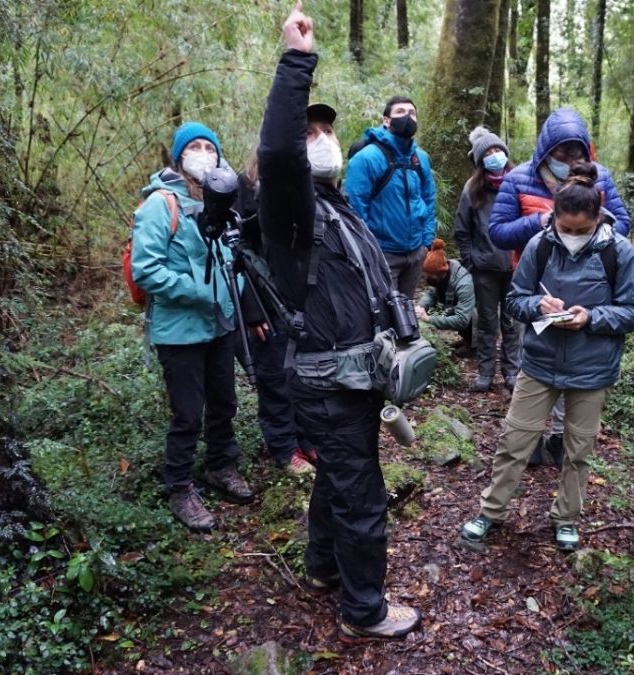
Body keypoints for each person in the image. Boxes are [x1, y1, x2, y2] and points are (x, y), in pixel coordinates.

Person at [255, 3, 420, 639]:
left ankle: (324, 568)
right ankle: (365, 611)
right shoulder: (291, 218)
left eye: (325, 129)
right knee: (362, 496)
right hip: (327, 385)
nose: (318, 137)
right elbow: (276, 150)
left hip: (352, 381)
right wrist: (297, 62)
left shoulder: (337, 208)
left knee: (336, 477)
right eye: (308, 132)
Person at [458, 162, 634, 554]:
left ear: (599, 218)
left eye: (582, 230)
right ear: (554, 219)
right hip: (540, 361)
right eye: (566, 228)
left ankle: (566, 519)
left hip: (592, 368)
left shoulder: (619, 250)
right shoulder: (539, 244)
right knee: (515, 441)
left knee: (578, 451)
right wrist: (539, 307)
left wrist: (592, 316)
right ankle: (491, 512)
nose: (573, 236)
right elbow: (515, 299)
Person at [488, 108, 632, 467]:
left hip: (589, 287)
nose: (569, 162)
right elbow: (498, 231)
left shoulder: (601, 180)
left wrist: (595, 226)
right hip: (534, 286)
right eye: (561, 154)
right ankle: (529, 435)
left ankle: (559, 437)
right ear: (546, 150)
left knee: (577, 364)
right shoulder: (519, 179)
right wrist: (538, 223)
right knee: (532, 360)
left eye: (576, 154)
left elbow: (623, 223)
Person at [130, 121, 254, 532]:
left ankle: (221, 465)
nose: (203, 153)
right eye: (194, 147)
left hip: (219, 326)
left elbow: (233, 262)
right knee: (187, 413)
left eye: (210, 147)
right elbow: (146, 271)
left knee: (224, 401)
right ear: (179, 156)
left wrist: (230, 289)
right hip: (179, 331)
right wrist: (204, 291)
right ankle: (180, 487)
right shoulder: (159, 206)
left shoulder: (221, 203)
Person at [235, 151, 316, 476]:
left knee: (304, 375)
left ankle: (306, 438)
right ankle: (283, 448)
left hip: (299, 299)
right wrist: (253, 312)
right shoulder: (245, 189)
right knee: (275, 377)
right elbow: (240, 252)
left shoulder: (300, 191)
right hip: (263, 301)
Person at [344, 93, 437, 298]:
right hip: (383, 253)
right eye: (400, 112)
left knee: (406, 311)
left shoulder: (420, 158)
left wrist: (426, 241)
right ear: (386, 120)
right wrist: (369, 250)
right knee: (385, 315)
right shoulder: (366, 158)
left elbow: (428, 198)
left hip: (415, 252)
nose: (407, 117)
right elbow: (356, 209)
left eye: (412, 113)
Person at [453, 126, 521, 393]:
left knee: (513, 322)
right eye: (489, 153)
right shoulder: (473, 189)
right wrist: (472, 261)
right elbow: (462, 230)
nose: (495, 156)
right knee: (486, 322)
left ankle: (512, 372)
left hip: (515, 267)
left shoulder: (518, 182)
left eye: (498, 151)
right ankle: (484, 373)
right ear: (480, 160)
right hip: (485, 269)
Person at [415, 239, 476, 350]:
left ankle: (473, 343)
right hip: (456, 307)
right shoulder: (441, 276)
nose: (426, 279)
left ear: (439, 274)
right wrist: (421, 306)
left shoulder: (463, 283)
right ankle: (466, 339)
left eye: (429, 276)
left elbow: (462, 320)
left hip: (476, 315)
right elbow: (431, 293)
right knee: (446, 310)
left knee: (470, 317)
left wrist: (429, 319)